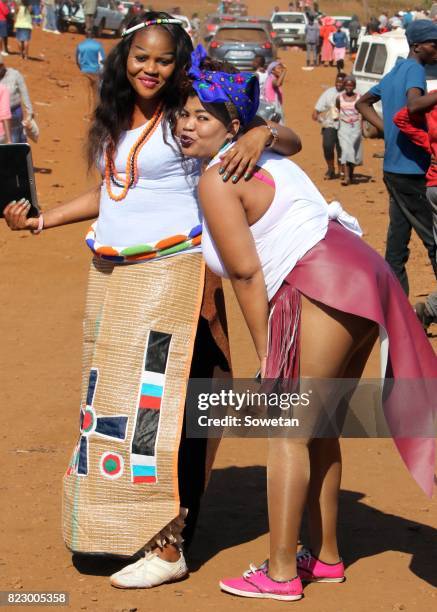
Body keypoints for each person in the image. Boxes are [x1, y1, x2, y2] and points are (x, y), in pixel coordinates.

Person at [2, 13, 301, 590]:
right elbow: (114, 188)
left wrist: (261, 133)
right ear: (125, 57)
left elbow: (282, 138)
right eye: (142, 57)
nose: (151, 69)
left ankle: (169, 543)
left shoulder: (190, 110)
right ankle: (122, 526)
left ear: (179, 63)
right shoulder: (117, 115)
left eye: (164, 60)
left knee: (157, 403)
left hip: (172, 273)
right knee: (111, 403)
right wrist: (43, 220)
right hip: (113, 276)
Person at [176, 48, 436, 602]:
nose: (187, 124)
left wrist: (267, 352)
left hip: (322, 282)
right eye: (184, 114)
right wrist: (264, 132)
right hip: (360, 276)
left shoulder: (219, 178)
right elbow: (286, 139)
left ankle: (279, 573)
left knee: (287, 428)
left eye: (203, 116)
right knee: (318, 428)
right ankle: (327, 558)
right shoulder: (258, 154)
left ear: (232, 125)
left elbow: (246, 274)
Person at [356, 20, 437, 295]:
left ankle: (397, 310)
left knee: (397, 243)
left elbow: (362, 102)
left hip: (393, 169)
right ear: (417, 46)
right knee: (433, 240)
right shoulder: (415, 69)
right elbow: (414, 105)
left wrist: (386, 129)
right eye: (433, 45)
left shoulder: (396, 70)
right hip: (413, 171)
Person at [393, 95, 437, 330]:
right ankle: (429, 310)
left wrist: (428, 142)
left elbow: (401, 118)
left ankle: (428, 311)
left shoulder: (432, 103)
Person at [312, 72, 345, 179]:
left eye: (341, 82)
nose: (339, 84)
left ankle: (342, 171)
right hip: (329, 124)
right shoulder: (328, 92)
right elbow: (317, 110)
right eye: (337, 81)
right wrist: (318, 116)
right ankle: (331, 168)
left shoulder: (348, 93)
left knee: (342, 149)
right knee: (327, 146)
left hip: (344, 125)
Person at [0, 54, 33, 142]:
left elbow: (24, 93)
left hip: (14, 112)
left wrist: (29, 113)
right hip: (1, 115)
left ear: (2, 65)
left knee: (16, 138)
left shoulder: (14, 74)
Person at [336, 75, 362, 185]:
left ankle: (351, 175)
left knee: (353, 152)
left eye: (351, 85)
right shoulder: (339, 98)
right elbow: (338, 108)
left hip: (355, 127)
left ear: (354, 86)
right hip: (343, 127)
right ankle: (346, 177)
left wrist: (361, 125)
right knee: (346, 150)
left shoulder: (359, 97)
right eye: (347, 85)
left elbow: (362, 111)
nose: (349, 87)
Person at [76, 31, 105, 111]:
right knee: (96, 93)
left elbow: (78, 60)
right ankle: (94, 112)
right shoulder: (98, 46)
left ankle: (87, 112)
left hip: (85, 72)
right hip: (96, 72)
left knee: (87, 93)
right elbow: (102, 60)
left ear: (86, 37)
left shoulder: (80, 46)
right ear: (93, 37)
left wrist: (82, 68)